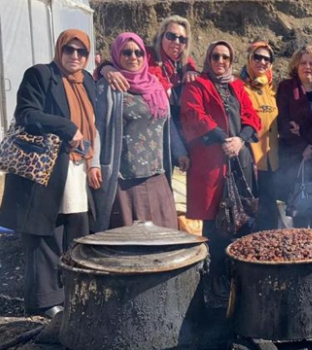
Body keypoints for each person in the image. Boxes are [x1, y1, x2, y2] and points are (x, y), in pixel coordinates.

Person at [0, 29, 100, 318]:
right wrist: (67, 127)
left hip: (78, 166)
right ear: (60, 50)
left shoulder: (88, 82)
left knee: (77, 229)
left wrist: (93, 163)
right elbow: (27, 114)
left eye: (82, 52)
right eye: (69, 50)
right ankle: (44, 300)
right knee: (47, 232)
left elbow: (95, 122)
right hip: (48, 170)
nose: (75, 56)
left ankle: (71, 293)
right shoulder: (41, 75)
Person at [180, 40, 261, 298]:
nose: (220, 61)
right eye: (215, 56)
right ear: (208, 58)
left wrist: (240, 139)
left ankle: (239, 278)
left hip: (240, 160)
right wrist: (222, 138)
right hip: (212, 164)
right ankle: (215, 284)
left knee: (244, 218)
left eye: (225, 57)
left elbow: (251, 116)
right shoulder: (197, 85)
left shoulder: (237, 85)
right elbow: (193, 115)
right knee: (215, 223)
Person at [92, 32, 184, 231]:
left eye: (138, 52)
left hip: (156, 176)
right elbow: (96, 128)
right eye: (126, 52)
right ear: (117, 54)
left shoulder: (155, 85)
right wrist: (94, 164)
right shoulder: (107, 87)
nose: (133, 57)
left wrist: (180, 152)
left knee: (163, 238)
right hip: (125, 181)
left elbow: (166, 122)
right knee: (128, 242)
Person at [99, 15, 195, 174]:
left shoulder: (186, 65)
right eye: (171, 36)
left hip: (173, 132)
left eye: (182, 39)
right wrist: (105, 67)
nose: (176, 42)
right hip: (145, 140)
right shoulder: (146, 56)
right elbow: (122, 59)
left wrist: (180, 150)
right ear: (161, 35)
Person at [276, 45, 312, 228]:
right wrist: (302, 145)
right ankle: (301, 248)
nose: (307, 67)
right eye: (303, 63)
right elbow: (282, 121)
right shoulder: (286, 87)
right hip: (297, 154)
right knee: (301, 204)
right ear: (296, 65)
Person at [240, 42, 280, 231]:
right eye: (257, 57)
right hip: (251, 161)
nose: (262, 62)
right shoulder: (239, 86)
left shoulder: (272, 90)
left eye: (267, 59)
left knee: (271, 212)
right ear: (249, 59)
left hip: (272, 161)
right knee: (253, 213)